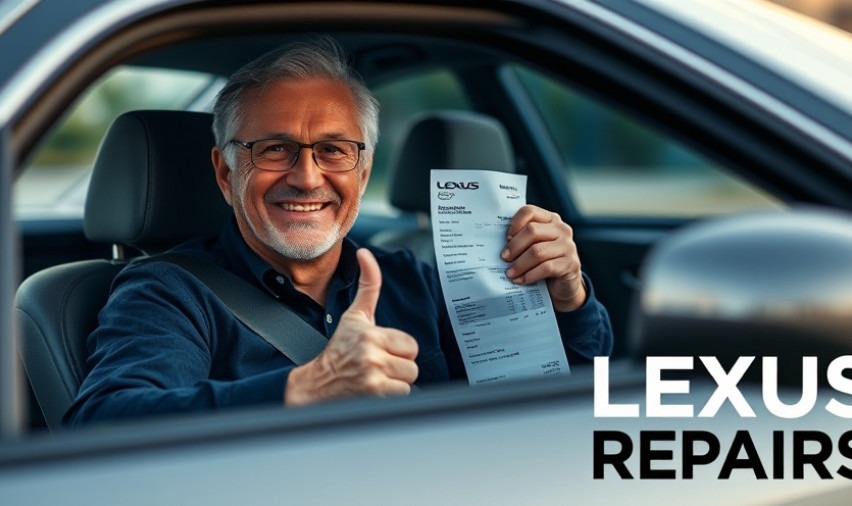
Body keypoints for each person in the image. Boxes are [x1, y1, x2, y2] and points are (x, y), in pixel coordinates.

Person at [64, 37, 613, 425]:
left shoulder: (417, 280)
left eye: (333, 150)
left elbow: (560, 401)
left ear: (363, 171)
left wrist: (569, 299)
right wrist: (303, 390)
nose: (307, 178)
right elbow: (102, 423)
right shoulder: (168, 291)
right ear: (226, 172)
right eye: (274, 149)